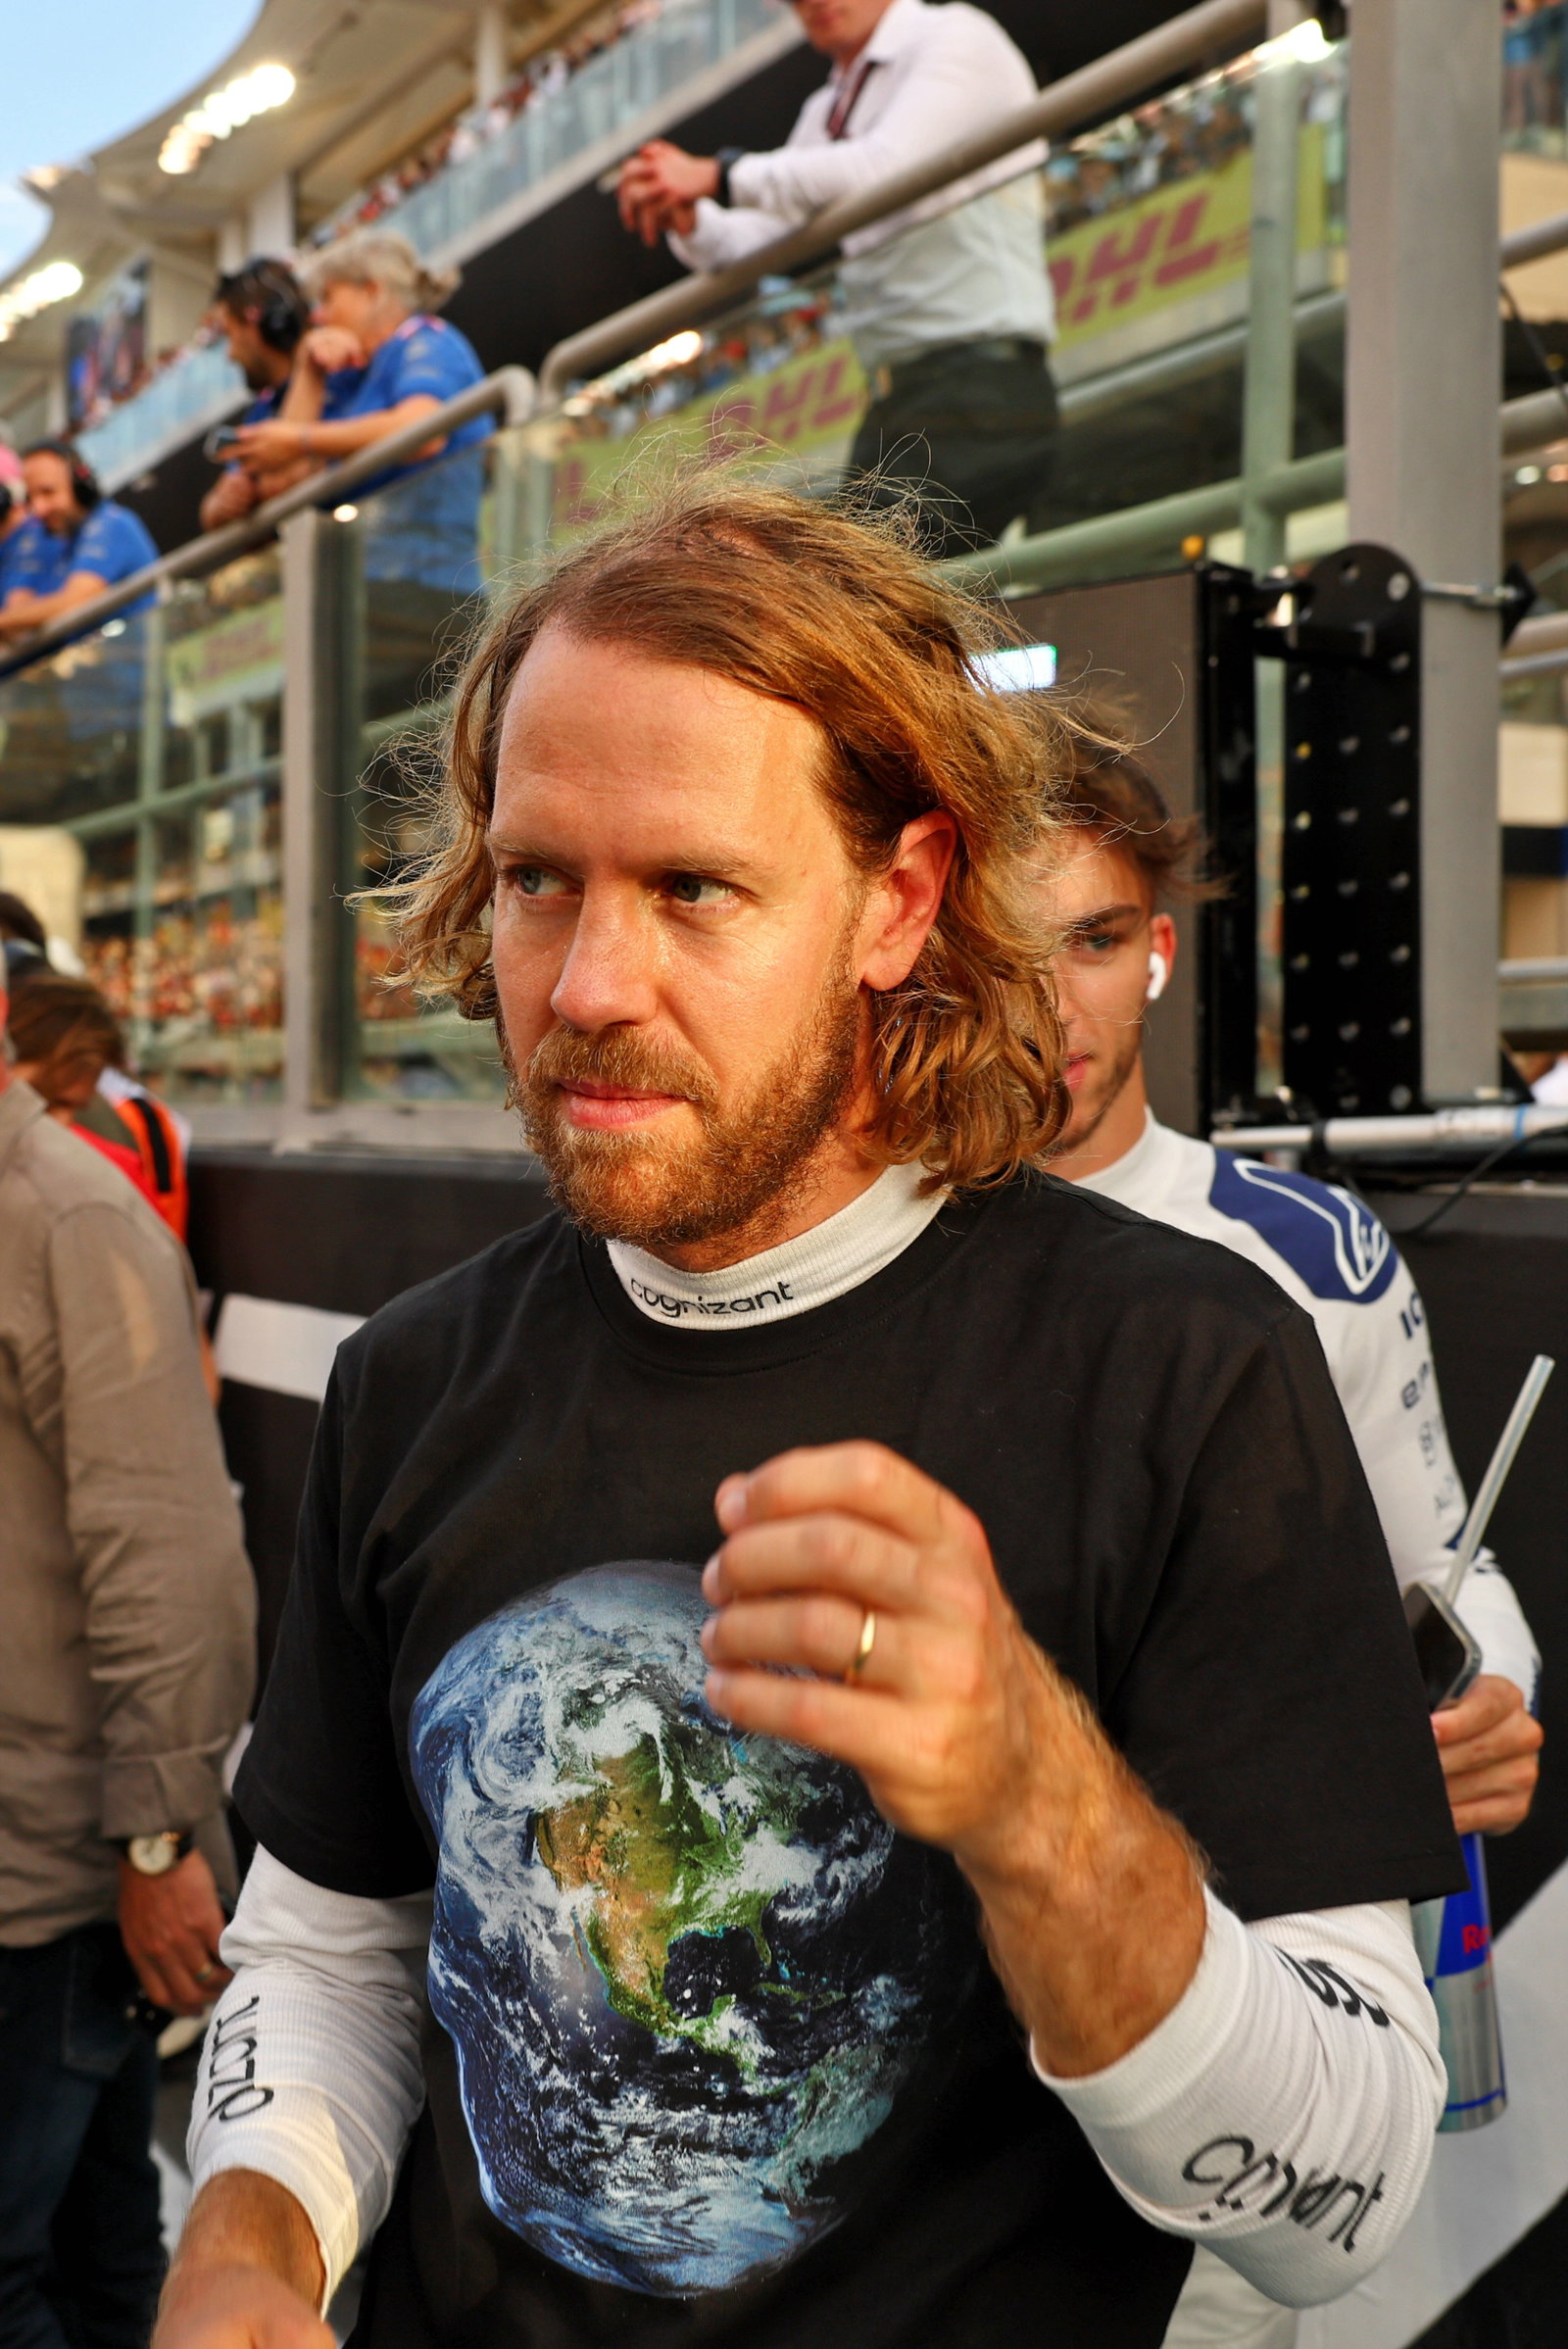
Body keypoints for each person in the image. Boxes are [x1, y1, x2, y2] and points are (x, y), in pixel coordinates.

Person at [161, 482, 1460, 2349]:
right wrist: (252, 2228)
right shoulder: (416, 1376)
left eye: (692, 887)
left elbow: (1346, 2202)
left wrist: (1039, 1795)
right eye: (540, 878)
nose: (589, 987)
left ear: (900, 898)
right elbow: (337, 1937)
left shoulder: (1184, 1366)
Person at [1035, 732, 1545, 2348]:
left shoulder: (1305, 1248)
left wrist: (1474, 1710)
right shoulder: (870, 1233)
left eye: (1098, 940)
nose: (1055, 1006)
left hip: (1256, 2002)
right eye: (1009, 944)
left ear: (1160, 952)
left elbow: (1450, 1572)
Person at [0, 956, 256, 2349]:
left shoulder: (68, 1213)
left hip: (49, 1878)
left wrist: (158, 1844)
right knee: (103, 2264)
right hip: (47, 1867)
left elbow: (170, 1554)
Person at [616, 0, 1057, 554]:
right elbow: (752, 240)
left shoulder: (955, 36)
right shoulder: (829, 105)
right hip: (898, 403)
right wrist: (688, 214)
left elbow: (880, 171)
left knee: (839, 586)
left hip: (986, 387)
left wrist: (716, 174)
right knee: (843, 592)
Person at [233, 230, 493, 715]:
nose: (319, 315)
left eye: (328, 297)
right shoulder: (354, 376)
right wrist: (309, 370)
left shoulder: (426, 338)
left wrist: (301, 441)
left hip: (429, 597)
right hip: (367, 601)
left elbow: (422, 430)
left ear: (372, 290)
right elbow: (277, 476)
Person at [0, 443, 158, 645]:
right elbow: (19, 614)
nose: (38, 509)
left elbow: (75, 601)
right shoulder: (57, 541)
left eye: (48, 492)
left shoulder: (113, 523)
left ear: (80, 486)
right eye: (30, 499)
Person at [199, 259, 314, 532]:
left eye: (230, 334)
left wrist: (259, 489)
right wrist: (224, 499)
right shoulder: (263, 409)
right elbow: (210, 513)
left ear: (264, 324)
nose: (230, 355)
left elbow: (295, 478)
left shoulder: (338, 374)